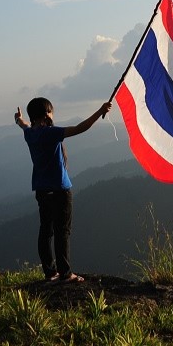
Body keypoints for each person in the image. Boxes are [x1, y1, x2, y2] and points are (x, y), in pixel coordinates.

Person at [14, 98, 112, 282]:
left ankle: (50, 272)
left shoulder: (30, 134)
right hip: (60, 189)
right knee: (62, 231)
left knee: (46, 230)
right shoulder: (50, 133)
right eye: (51, 112)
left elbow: (24, 125)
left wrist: (18, 119)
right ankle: (65, 274)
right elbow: (80, 128)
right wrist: (100, 111)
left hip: (42, 190)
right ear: (46, 114)